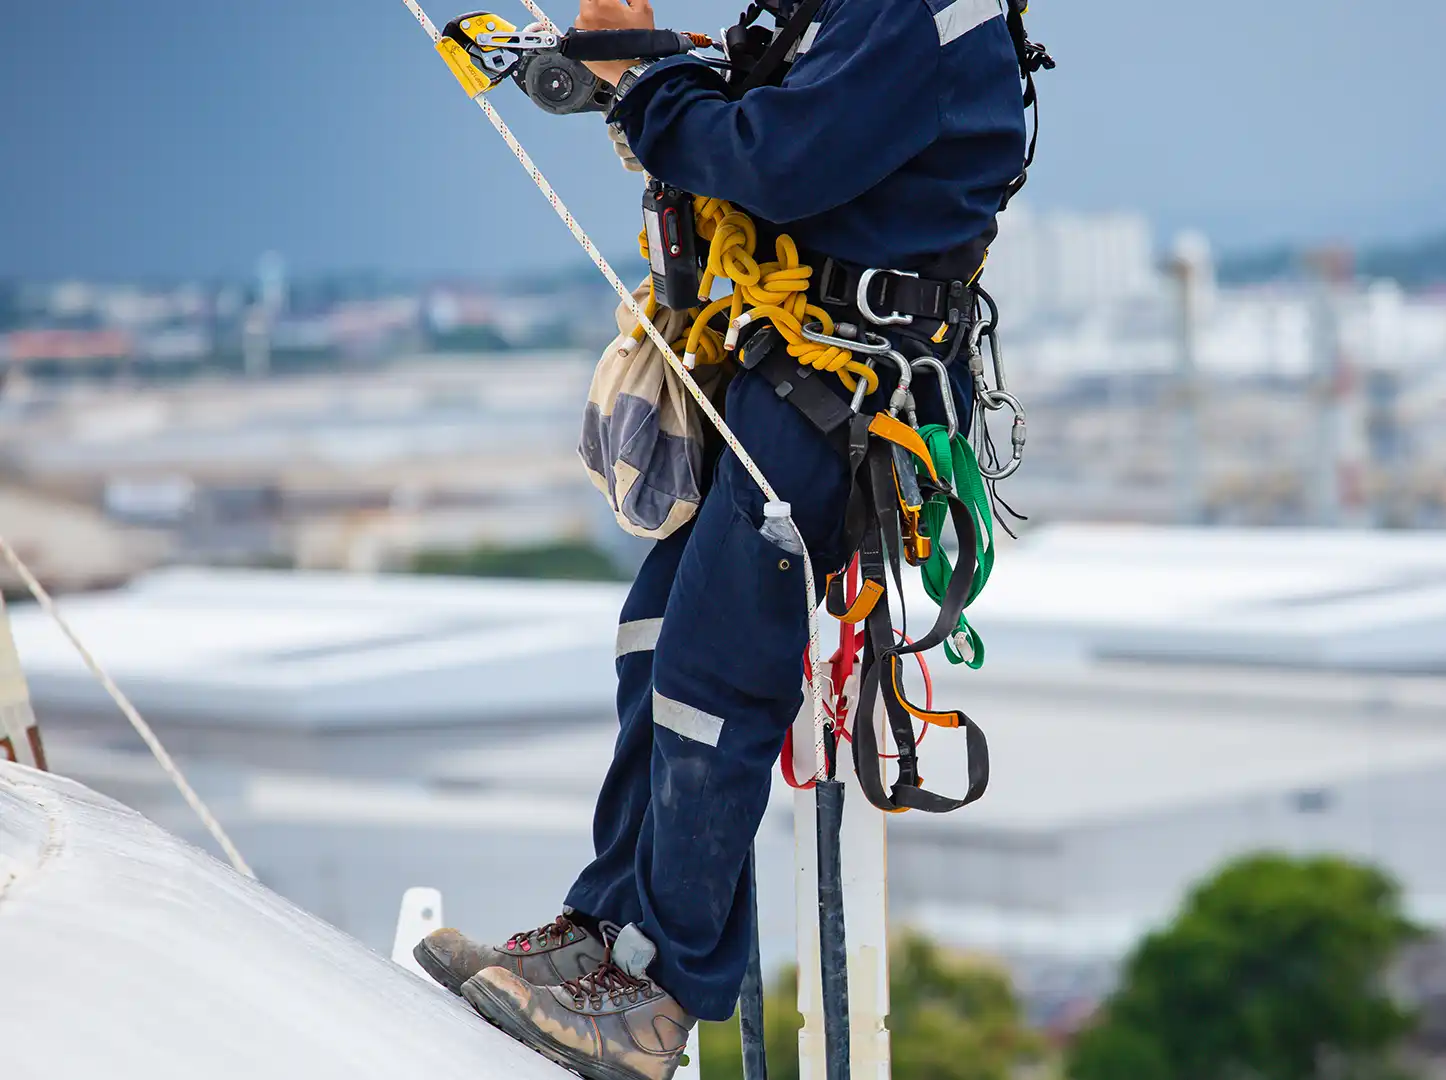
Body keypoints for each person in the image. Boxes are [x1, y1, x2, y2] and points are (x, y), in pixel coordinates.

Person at [414, 0, 1026, 1076]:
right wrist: (649, 69)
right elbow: (765, 127)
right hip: (783, 376)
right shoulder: (845, 14)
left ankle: (659, 996)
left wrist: (650, 89)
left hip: (841, 395)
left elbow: (778, 161)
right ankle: (604, 930)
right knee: (655, 638)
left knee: (714, 681)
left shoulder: (912, 11)